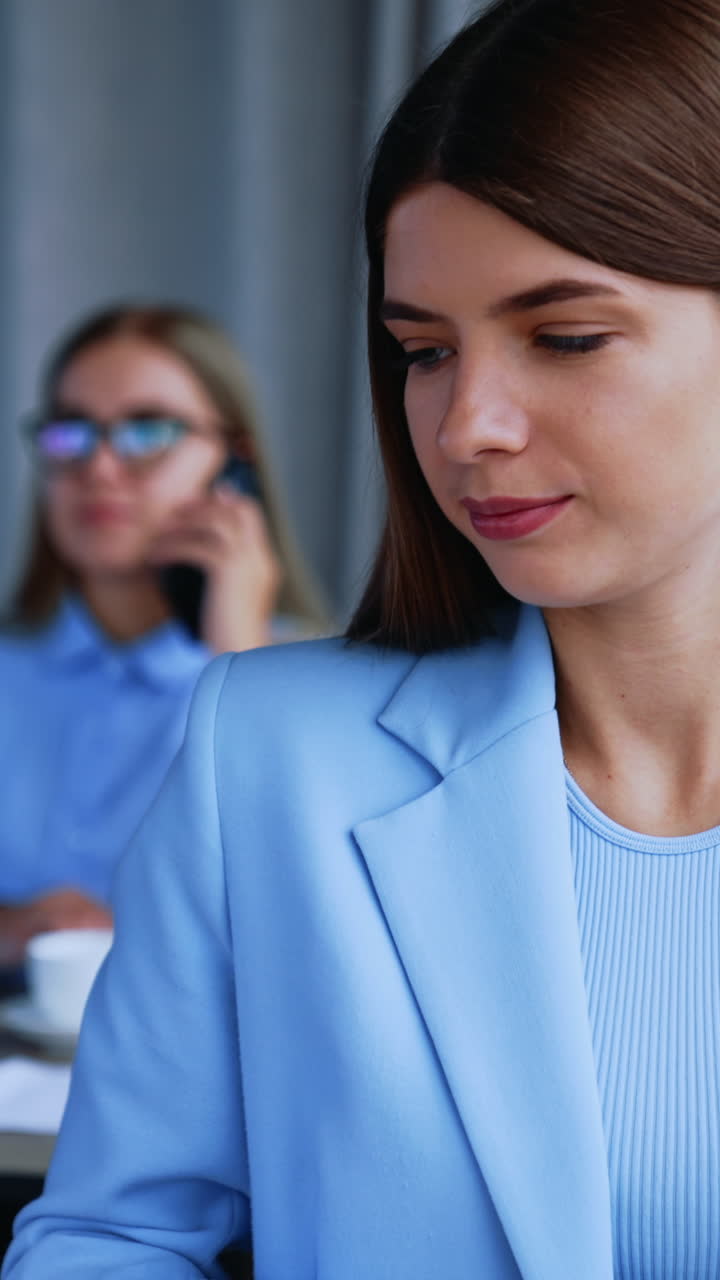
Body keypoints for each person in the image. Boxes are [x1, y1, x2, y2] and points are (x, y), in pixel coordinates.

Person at [7, 0, 720, 1274]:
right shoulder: (268, 754)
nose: (466, 425)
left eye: (564, 336)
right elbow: (111, 1235)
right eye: (422, 351)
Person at [0, 302, 326, 965]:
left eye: (148, 430)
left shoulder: (321, 684)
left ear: (235, 463)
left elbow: (310, 917)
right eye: (72, 432)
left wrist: (239, 648)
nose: (99, 467)